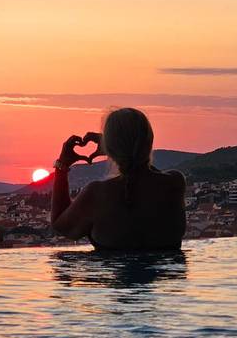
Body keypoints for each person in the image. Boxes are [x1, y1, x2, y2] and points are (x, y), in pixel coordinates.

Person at [51, 107, 186, 251]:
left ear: (110, 147)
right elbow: (145, 173)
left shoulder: (97, 194)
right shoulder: (175, 183)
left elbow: (61, 226)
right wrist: (115, 148)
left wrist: (62, 166)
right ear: (150, 141)